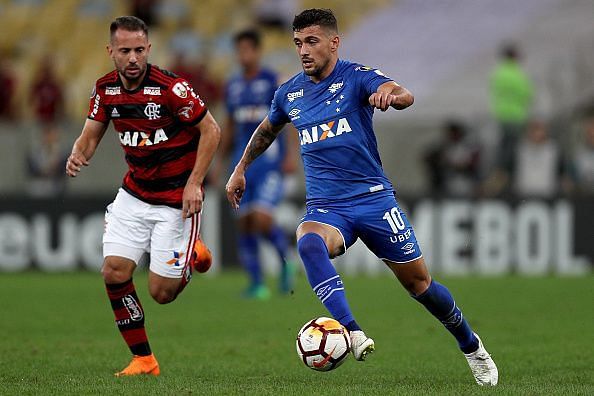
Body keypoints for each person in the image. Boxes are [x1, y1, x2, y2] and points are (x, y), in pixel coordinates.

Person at [225, 9, 498, 386]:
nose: (304, 50)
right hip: (327, 207)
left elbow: (404, 94)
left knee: (420, 286)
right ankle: (352, 331)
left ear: (334, 43)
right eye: (298, 43)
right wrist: (240, 168)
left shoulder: (355, 78)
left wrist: (392, 94)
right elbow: (267, 130)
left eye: (312, 41)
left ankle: (471, 346)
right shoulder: (289, 93)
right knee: (308, 240)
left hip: (373, 201)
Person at [66, 16, 220, 377]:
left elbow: (211, 130)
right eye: (124, 51)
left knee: (161, 293)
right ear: (111, 52)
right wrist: (77, 154)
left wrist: (194, 183)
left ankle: (193, 253)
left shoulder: (172, 89)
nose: (133, 57)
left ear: (148, 49)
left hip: (174, 200)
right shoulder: (104, 89)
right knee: (113, 271)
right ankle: (144, 359)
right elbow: (90, 136)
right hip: (134, 195)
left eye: (139, 50)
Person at [216, 29, 296, 299]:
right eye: (239, 50)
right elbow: (229, 126)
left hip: (270, 163)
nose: (243, 55)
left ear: (258, 51)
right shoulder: (233, 86)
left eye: (248, 49)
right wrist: (219, 163)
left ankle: (286, 264)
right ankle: (257, 284)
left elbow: (290, 118)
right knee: (245, 223)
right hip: (242, 163)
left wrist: (290, 156)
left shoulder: (273, 81)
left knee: (262, 220)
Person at [488, 43, 534, 192]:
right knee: (513, 147)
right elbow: (527, 94)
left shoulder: (498, 73)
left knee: (504, 144)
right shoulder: (517, 74)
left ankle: (500, 171)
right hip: (516, 115)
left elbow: (493, 90)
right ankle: (506, 175)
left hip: (501, 114)